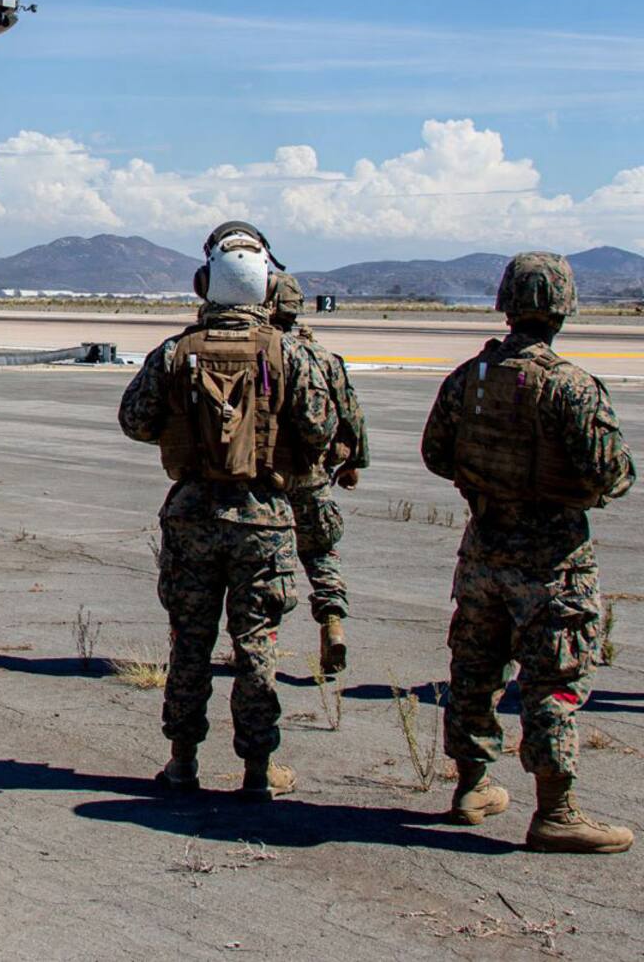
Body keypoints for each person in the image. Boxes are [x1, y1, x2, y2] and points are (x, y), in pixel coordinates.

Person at [421, 252, 634, 853]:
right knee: (554, 680)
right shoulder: (571, 386)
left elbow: (436, 454)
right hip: (552, 563)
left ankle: (472, 786)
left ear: (506, 304)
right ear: (562, 309)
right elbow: (613, 474)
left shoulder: (470, 378)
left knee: (474, 671)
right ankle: (556, 810)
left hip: (484, 553)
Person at [119, 222, 336, 799]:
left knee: (189, 642)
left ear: (205, 284)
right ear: (266, 288)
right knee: (256, 645)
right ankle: (258, 772)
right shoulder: (290, 354)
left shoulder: (174, 352)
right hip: (264, 519)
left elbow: (134, 421)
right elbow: (320, 432)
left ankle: (182, 761)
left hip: (192, 517)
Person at [268, 272, 368, 674]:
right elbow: (352, 413)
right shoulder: (323, 357)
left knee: (265, 563)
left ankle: (264, 642)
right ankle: (333, 624)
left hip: (266, 479)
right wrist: (354, 462)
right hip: (314, 476)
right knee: (322, 555)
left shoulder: (264, 353)